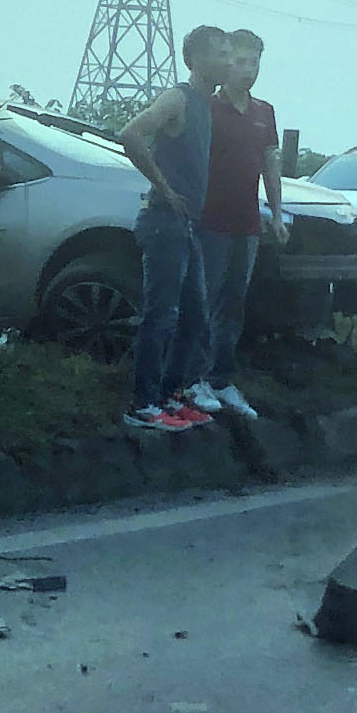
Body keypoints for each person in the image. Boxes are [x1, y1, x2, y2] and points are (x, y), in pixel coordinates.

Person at [115, 26, 228, 432]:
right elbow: (130, 134)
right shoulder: (177, 98)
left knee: (195, 316)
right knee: (161, 315)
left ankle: (170, 395)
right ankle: (143, 405)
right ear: (194, 58)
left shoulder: (207, 105)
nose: (227, 62)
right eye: (220, 54)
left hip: (187, 225)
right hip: (164, 222)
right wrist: (165, 189)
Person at [176, 29, 284, 421]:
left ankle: (221, 378)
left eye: (254, 62)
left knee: (233, 303)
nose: (247, 70)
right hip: (208, 220)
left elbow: (271, 164)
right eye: (240, 61)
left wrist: (277, 213)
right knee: (201, 300)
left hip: (247, 222)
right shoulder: (206, 105)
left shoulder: (264, 112)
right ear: (226, 62)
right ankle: (192, 379)